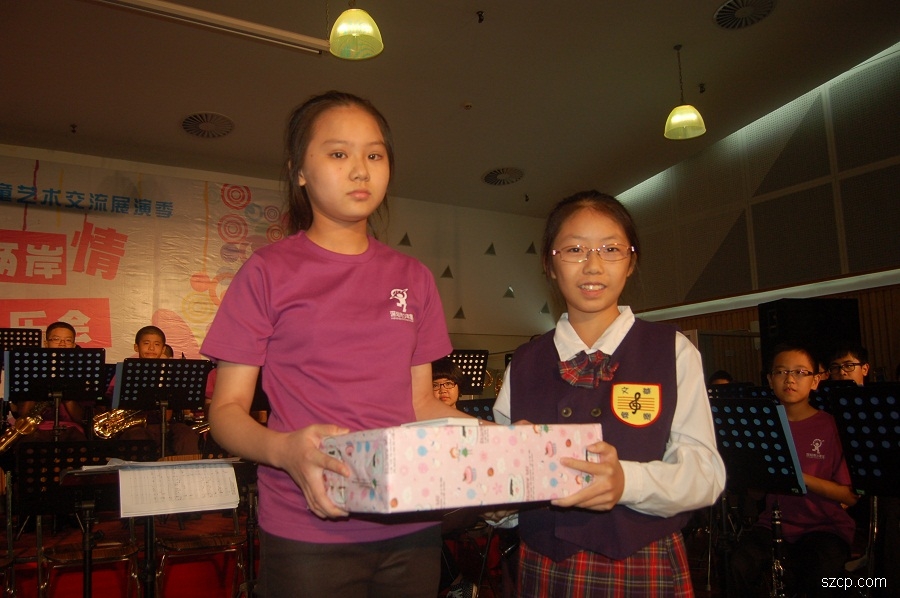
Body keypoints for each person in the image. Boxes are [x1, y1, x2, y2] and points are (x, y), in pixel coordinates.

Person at [201, 90, 471, 597]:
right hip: (309, 528)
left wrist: (508, 439)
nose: (361, 170)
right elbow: (227, 411)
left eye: (375, 155)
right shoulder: (267, 272)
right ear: (299, 172)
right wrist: (283, 450)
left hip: (411, 521)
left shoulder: (413, 277)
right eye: (338, 153)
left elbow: (421, 404)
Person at [492, 190, 726, 596]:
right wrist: (499, 498)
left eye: (611, 249)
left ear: (631, 262)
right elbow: (503, 484)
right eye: (574, 250)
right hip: (543, 564)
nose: (593, 265)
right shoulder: (525, 362)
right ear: (549, 264)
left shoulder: (671, 350)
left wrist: (627, 482)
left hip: (643, 560)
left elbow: (705, 474)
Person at [729, 343, 858, 597]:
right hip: (773, 524)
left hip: (824, 527)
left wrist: (797, 475)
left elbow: (849, 496)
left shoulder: (832, 427)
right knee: (737, 566)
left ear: (815, 380)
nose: (789, 379)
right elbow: (756, 495)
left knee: (815, 576)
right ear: (770, 380)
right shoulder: (762, 427)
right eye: (781, 372)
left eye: (800, 372)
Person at [17, 321, 87, 442]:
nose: (62, 344)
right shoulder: (31, 369)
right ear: (46, 343)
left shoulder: (81, 371)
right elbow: (23, 414)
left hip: (71, 429)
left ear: (74, 345)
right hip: (35, 428)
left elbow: (81, 418)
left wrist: (65, 390)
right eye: (56, 339)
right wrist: (36, 384)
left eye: (68, 340)